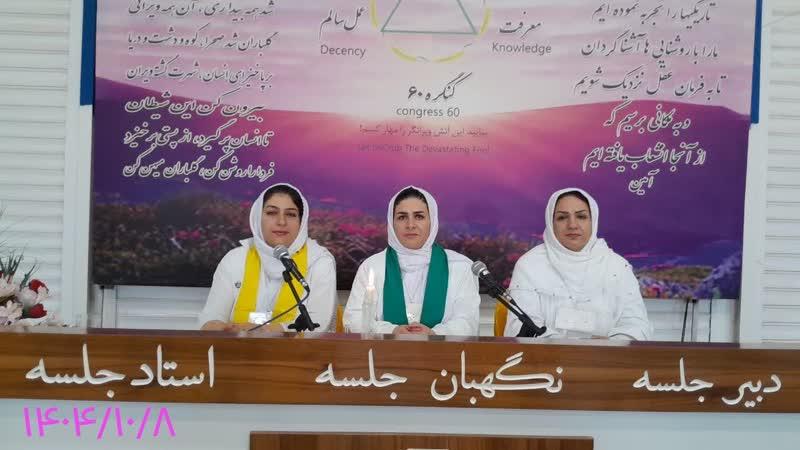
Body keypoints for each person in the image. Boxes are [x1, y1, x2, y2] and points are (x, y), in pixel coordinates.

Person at [504, 187, 651, 340]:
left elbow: (636, 325)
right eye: (562, 218)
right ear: (551, 222)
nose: (572, 225)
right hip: (546, 355)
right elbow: (523, 327)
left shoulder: (617, 267)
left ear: (593, 221)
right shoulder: (530, 265)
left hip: (609, 354)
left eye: (581, 216)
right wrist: (580, 347)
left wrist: (608, 347)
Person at [198, 183, 336, 332]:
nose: (281, 222)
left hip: (297, 348)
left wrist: (264, 331)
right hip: (236, 345)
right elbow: (212, 316)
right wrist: (214, 325)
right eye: (271, 213)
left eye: (290, 214)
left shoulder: (318, 261)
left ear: (301, 222)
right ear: (258, 218)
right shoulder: (235, 259)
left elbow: (317, 325)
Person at [344, 186, 480, 335]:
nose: (410, 225)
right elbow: (353, 320)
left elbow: (468, 322)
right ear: (392, 223)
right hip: (382, 350)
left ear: (432, 221)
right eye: (402, 217)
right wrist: (392, 330)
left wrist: (434, 334)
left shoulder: (460, 267)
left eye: (419, 216)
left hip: (442, 350)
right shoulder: (372, 266)